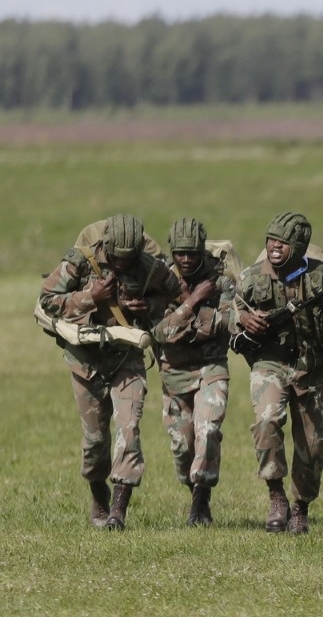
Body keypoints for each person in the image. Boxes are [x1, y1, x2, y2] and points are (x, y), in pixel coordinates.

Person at [38, 213, 180, 530]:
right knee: (95, 443)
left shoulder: (150, 266)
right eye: (118, 258)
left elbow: (174, 294)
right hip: (85, 359)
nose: (124, 265)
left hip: (126, 357)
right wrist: (92, 297)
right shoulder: (79, 262)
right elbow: (47, 300)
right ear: (105, 247)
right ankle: (99, 497)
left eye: (130, 259)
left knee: (128, 430)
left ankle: (118, 512)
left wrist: (148, 308)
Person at [232, 212, 323, 535]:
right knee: (267, 420)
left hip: (313, 367)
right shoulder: (252, 278)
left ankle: (300, 508)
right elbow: (230, 310)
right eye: (271, 241)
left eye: (282, 243)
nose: (274, 248)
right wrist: (243, 320)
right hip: (269, 363)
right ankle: (276, 497)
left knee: (312, 445)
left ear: (298, 247)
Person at [151, 218, 236, 527]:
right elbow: (161, 333)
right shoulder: (159, 282)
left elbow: (227, 322)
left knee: (209, 429)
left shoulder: (222, 280)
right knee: (182, 448)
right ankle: (196, 495)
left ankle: (200, 504)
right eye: (180, 253)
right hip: (173, 374)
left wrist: (181, 320)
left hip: (212, 367)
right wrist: (195, 301)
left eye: (192, 253)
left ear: (202, 250)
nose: (186, 260)